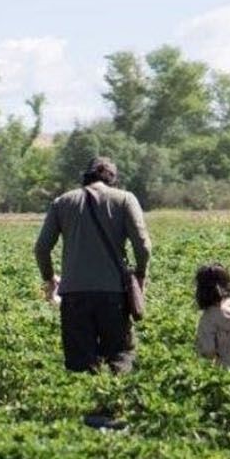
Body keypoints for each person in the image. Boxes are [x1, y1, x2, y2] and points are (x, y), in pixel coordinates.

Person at [33, 156, 152, 374]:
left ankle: (84, 404)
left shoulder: (62, 202)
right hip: (114, 294)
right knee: (119, 358)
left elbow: (41, 248)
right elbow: (143, 246)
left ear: (85, 177)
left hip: (73, 295)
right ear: (113, 179)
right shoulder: (125, 199)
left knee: (80, 364)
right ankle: (115, 404)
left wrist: (50, 279)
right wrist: (141, 274)